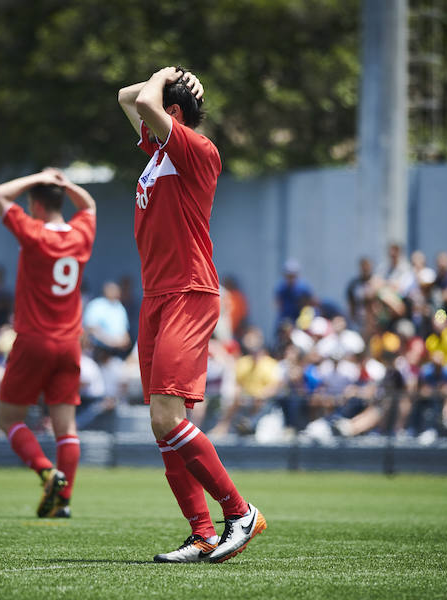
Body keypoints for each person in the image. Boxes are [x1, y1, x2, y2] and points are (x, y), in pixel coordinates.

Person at [118, 66, 266, 564]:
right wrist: (162, 80)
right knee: (163, 425)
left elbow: (143, 104)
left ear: (173, 114)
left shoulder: (197, 150)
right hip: (157, 295)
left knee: (166, 416)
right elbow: (127, 97)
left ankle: (240, 512)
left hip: (188, 290)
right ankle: (202, 533)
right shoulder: (159, 152)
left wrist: (163, 74)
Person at [0, 168, 96, 519]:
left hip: (34, 339)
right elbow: (90, 205)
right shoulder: (81, 233)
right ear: (61, 199)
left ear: (35, 203)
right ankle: (63, 501)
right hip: (69, 343)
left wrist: (36, 176)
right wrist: (65, 183)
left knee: (9, 418)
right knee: (66, 427)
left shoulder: (34, 233)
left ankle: (46, 472)